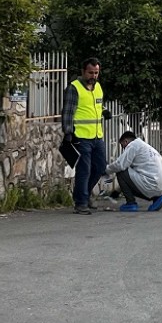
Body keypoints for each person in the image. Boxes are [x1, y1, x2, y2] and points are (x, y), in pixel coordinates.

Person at [62, 58, 112, 215]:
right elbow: (68, 111)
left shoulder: (97, 87)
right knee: (84, 170)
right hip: (81, 136)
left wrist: (104, 111)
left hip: (97, 136)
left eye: (96, 73)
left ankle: (85, 193)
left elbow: (95, 105)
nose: (93, 76)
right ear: (83, 72)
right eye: (90, 72)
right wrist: (68, 132)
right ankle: (81, 203)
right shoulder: (74, 88)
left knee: (100, 167)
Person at [105, 131, 162, 212]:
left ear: (126, 141)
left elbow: (120, 165)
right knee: (127, 172)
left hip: (151, 184)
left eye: (122, 145)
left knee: (121, 171)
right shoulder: (145, 146)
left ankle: (131, 203)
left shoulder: (132, 145)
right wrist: (117, 191)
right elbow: (131, 179)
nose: (123, 149)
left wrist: (106, 170)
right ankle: (158, 198)